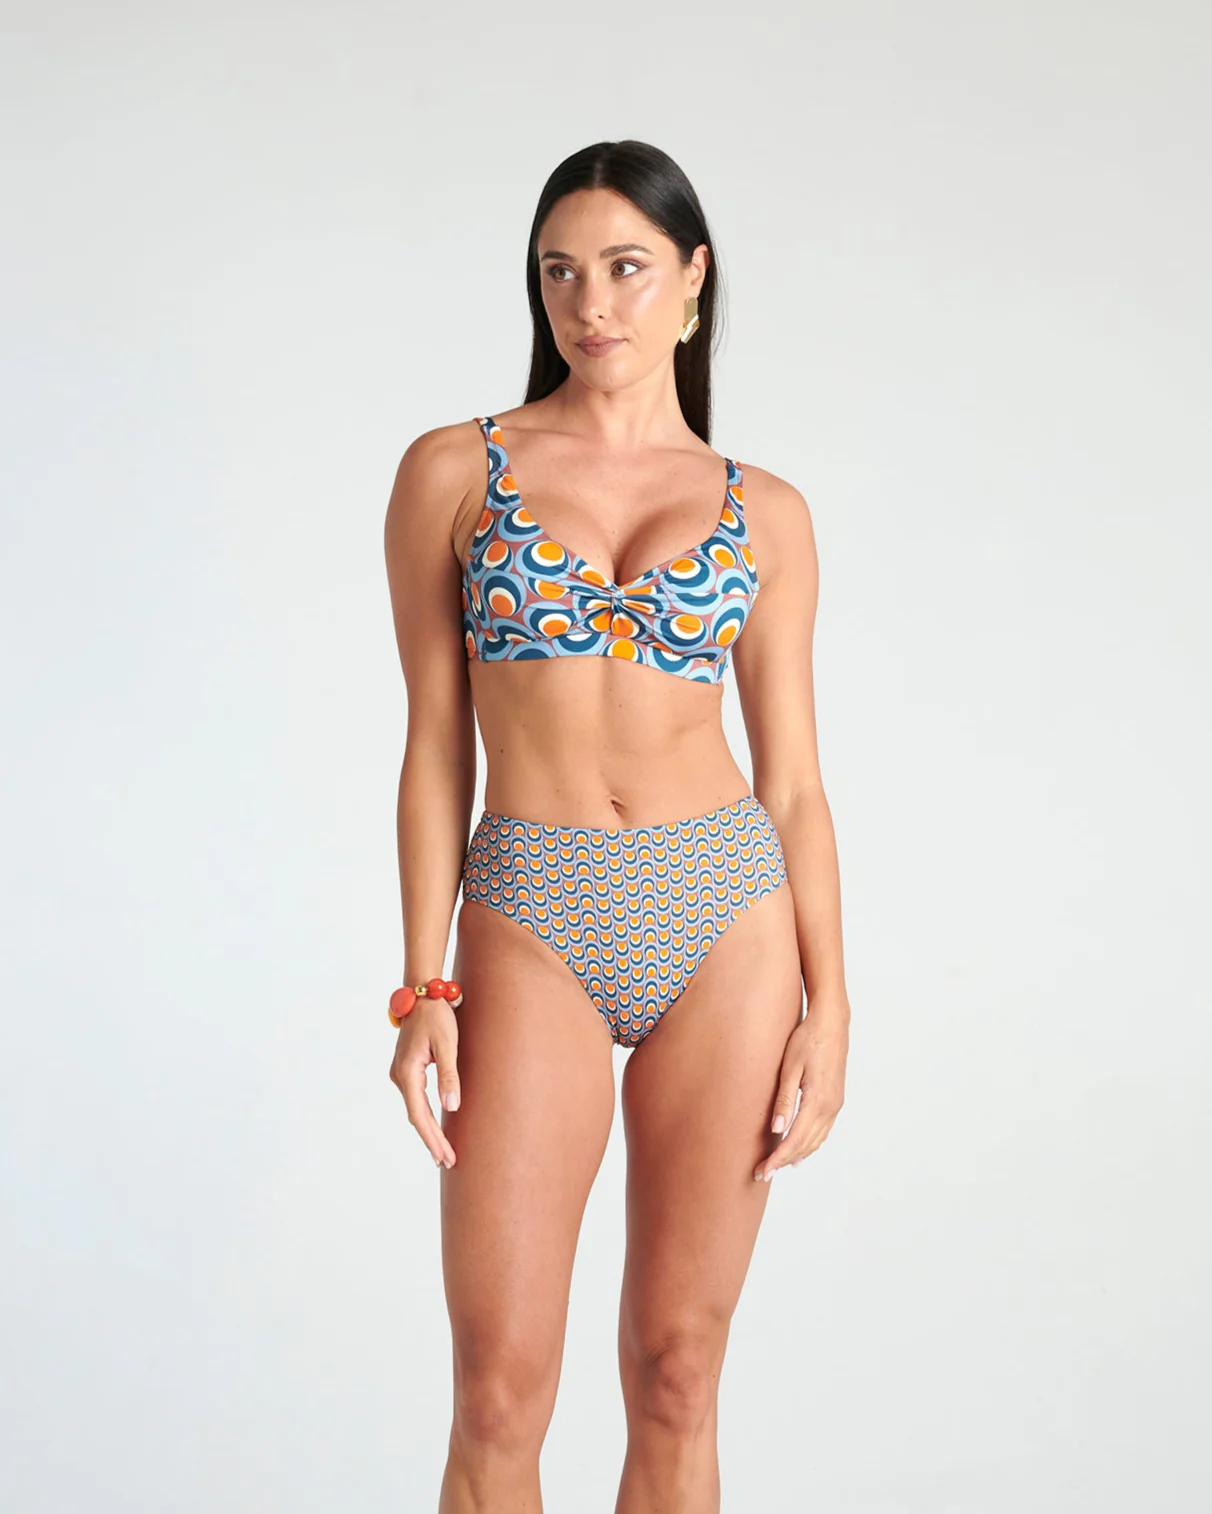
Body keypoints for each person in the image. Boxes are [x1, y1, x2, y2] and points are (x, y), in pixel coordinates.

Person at [383, 139, 851, 1514]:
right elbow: (433, 745)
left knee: (677, 1373)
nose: (592, 304)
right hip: (532, 904)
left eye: (628, 268)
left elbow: (797, 782)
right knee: (498, 1389)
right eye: (561, 272)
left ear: (695, 281)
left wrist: (833, 1005)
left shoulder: (767, 512)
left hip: (726, 914)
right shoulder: (454, 472)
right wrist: (422, 984)